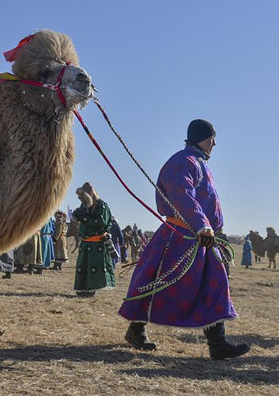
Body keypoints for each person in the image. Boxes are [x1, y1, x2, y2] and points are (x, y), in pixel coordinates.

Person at [119, 119, 249, 360]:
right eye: (212, 138)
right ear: (202, 137)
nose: (215, 143)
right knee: (158, 283)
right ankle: (136, 330)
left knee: (213, 284)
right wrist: (201, 225)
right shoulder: (182, 161)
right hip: (181, 237)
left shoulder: (198, 163)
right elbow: (182, 195)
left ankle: (217, 343)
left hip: (202, 238)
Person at [72, 182, 115, 297]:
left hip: (97, 243)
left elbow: (100, 221)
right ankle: (83, 288)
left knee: (93, 266)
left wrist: (84, 218)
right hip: (86, 242)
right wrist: (77, 215)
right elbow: (82, 217)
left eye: (83, 197)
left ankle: (91, 289)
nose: (81, 200)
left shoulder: (102, 206)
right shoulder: (85, 206)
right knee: (83, 266)